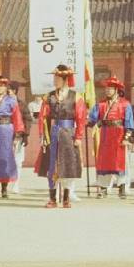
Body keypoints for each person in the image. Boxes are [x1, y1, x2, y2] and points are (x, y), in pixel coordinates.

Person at [36, 64, 86, 208]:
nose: (54, 80)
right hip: (53, 133)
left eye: (57, 78)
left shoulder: (76, 97)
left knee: (67, 165)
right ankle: (52, 198)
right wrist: (43, 136)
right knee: (52, 166)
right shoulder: (49, 96)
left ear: (65, 79)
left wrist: (78, 137)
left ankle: (66, 198)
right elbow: (42, 117)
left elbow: (81, 119)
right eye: (54, 78)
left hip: (68, 133)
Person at [87, 76, 134, 199]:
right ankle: (103, 189)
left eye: (110, 88)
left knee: (120, 162)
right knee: (104, 162)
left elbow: (129, 123)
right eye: (107, 88)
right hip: (105, 135)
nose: (107, 90)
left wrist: (127, 137)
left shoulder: (125, 104)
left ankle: (122, 188)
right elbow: (92, 119)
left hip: (119, 136)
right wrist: (84, 120)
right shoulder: (101, 104)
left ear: (116, 90)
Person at [7, 82, 31, 195]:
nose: (7, 92)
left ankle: (16, 184)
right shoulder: (3, 103)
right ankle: (3, 183)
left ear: (14, 91)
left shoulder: (21, 104)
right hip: (5, 134)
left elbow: (28, 119)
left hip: (18, 135)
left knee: (17, 161)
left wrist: (25, 134)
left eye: (9, 90)